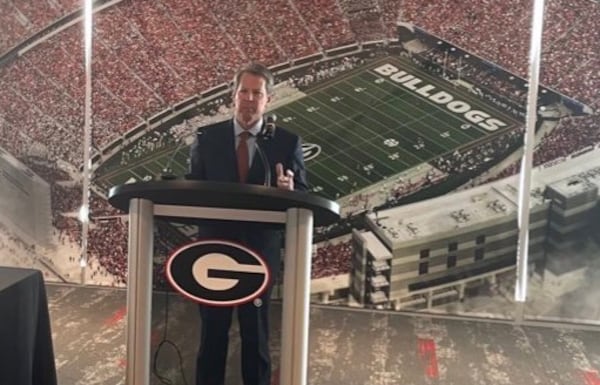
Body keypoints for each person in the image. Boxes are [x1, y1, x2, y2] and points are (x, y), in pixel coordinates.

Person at [187, 62, 308, 385]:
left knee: (256, 338)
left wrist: (289, 191)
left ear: (268, 100)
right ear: (233, 95)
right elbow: (192, 189)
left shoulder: (286, 142)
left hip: (259, 255)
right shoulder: (207, 138)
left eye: (257, 93)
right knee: (212, 334)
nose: (249, 99)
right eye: (244, 92)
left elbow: (304, 196)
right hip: (214, 253)